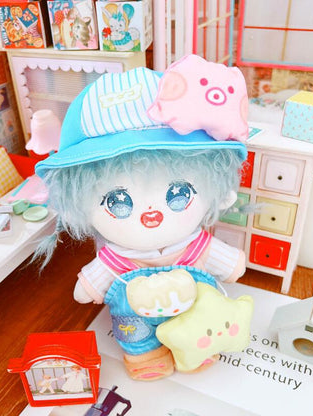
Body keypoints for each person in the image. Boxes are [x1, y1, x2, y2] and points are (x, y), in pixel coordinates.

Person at [35, 55, 249, 381]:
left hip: (196, 326)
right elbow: (86, 289)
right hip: (137, 326)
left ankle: (194, 350)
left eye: (178, 194)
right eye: (118, 202)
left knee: (198, 325)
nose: (152, 216)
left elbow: (232, 266)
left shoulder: (197, 246)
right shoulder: (115, 259)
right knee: (135, 333)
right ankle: (145, 355)